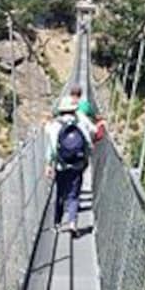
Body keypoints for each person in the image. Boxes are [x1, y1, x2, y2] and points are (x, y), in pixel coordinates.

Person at [45, 97, 95, 232]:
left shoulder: (54, 126)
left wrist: (49, 165)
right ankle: (72, 223)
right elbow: (89, 144)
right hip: (77, 165)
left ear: (60, 111)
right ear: (74, 111)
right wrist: (86, 159)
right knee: (73, 195)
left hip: (61, 165)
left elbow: (51, 148)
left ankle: (57, 224)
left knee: (60, 194)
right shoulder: (79, 124)